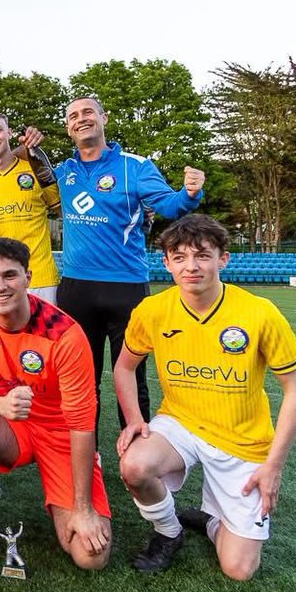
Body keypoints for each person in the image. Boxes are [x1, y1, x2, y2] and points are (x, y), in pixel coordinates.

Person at [115, 214, 296, 579]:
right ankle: (168, 532)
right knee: (134, 465)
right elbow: (124, 367)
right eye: (180, 256)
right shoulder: (153, 310)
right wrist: (136, 420)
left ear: (223, 259)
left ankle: (209, 523)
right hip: (181, 424)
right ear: (167, 262)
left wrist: (274, 466)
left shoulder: (259, 313)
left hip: (243, 441)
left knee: (239, 569)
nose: (191, 266)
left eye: (203, 255)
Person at [0, 237, 112, 570]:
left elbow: (81, 424)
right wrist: (0, 405)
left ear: (28, 277)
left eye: (10, 275)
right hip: (10, 425)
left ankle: (87, 482)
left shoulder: (65, 334)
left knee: (90, 557)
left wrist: (83, 508)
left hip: (61, 433)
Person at [54, 95, 205, 429]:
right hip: (76, 288)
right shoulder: (63, 172)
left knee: (133, 378)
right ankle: (84, 456)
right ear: (68, 127)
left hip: (126, 288)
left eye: (88, 112)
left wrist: (190, 193)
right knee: (80, 379)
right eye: (73, 115)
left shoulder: (134, 166)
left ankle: (137, 455)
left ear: (103, 118)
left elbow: (169, 206)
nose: (81, 119)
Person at [0, 112, 61, 302]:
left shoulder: (36, 169)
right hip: (0, 281)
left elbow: (62, 212)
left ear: (8, 133)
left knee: (44, 333)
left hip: (41, 278)